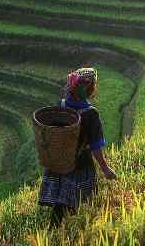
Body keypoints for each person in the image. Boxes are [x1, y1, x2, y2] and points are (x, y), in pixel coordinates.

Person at [38, 67, 117, 228]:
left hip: (59, 162)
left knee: (60, 201)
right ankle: (65, 232)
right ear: (90, 89)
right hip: (80, 165)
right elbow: (95, 146)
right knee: (75, 202)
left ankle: (56, 230)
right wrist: (106, 169)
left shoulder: (60, 105)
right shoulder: (90, 114)